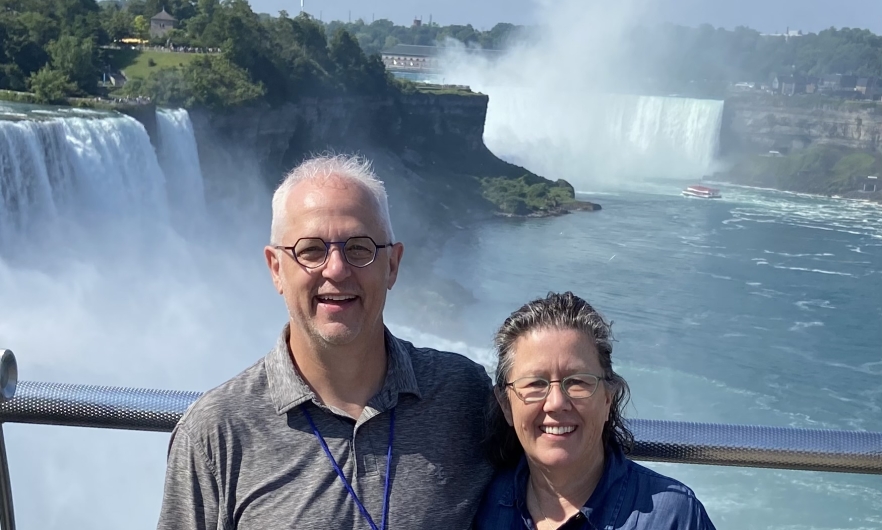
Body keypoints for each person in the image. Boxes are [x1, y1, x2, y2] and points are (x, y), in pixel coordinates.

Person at [156, 154, 493, 529]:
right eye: (311, 250)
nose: (336, 269)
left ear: (392, 265)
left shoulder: (463, 395)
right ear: (276, 269)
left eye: (360, 248)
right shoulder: (216, 431)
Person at [475, 291, 716, 530]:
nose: (556, 402)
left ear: (608, 397)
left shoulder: (671, 517)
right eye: (536, 383)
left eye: (578, 381)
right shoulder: (478, 505)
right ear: (506, 404)